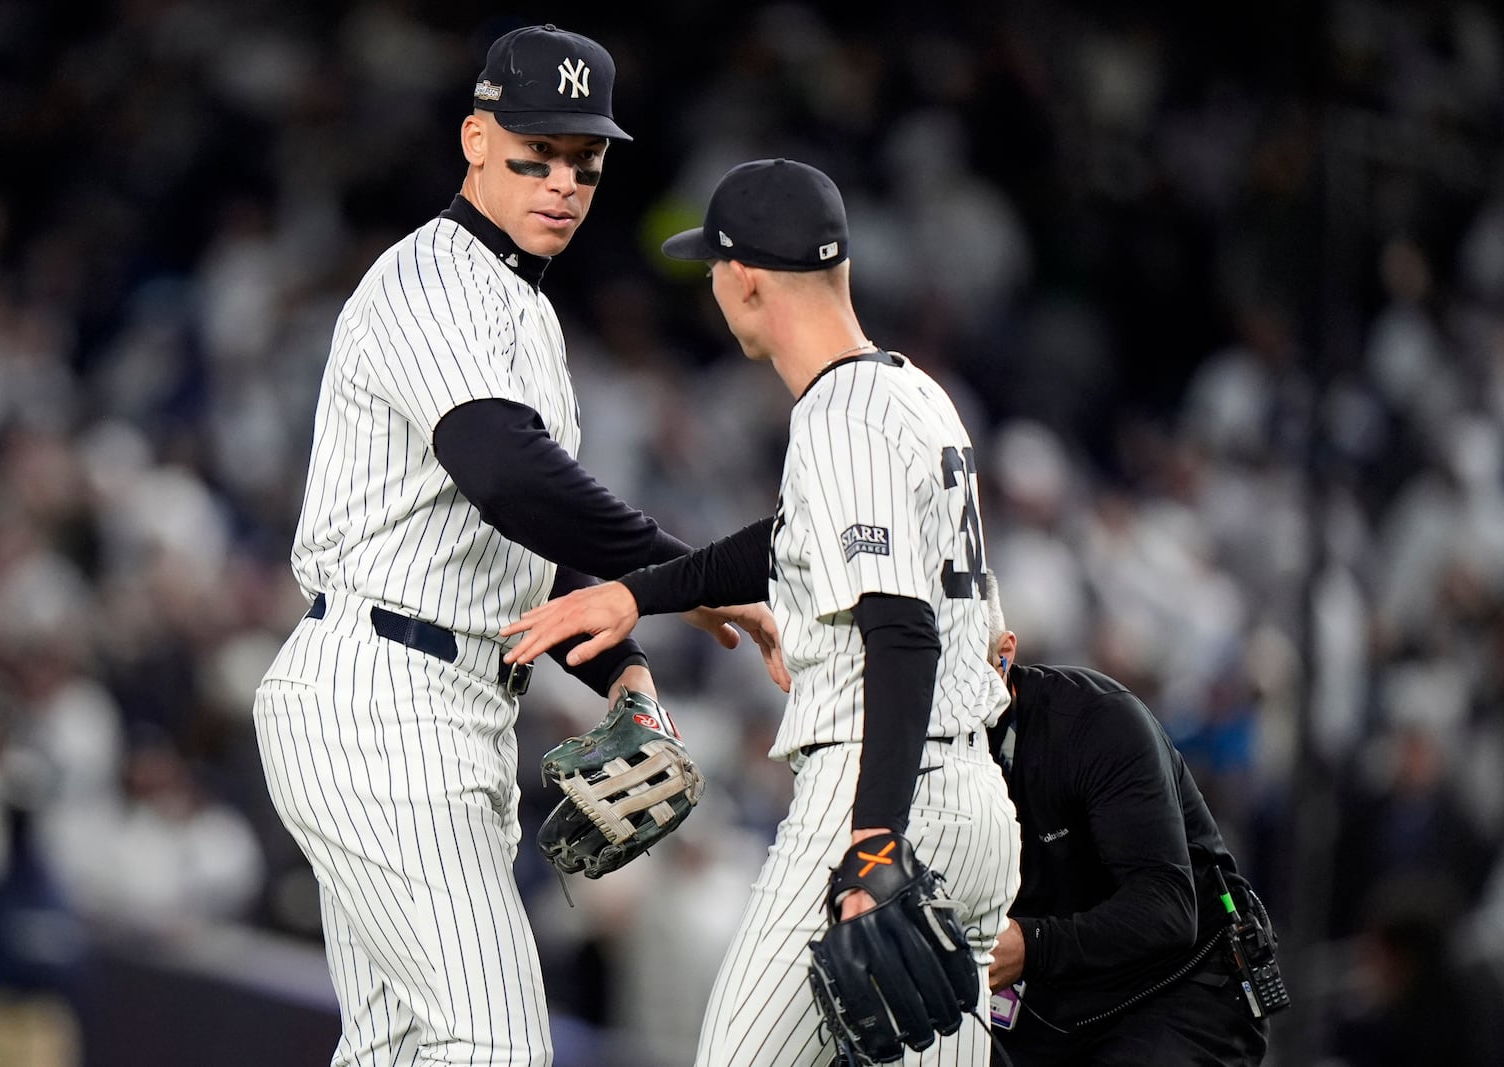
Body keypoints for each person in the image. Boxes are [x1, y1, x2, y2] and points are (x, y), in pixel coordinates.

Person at [250, 23, 772, 1067]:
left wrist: (624, 671)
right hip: (381, 697)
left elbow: (520, 543)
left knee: (399, 1047)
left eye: (583, 161)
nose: (561, 182)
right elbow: (505, 470)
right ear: (474, 140)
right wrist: (677, 575)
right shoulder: (433, 280)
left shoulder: (525, 315)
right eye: (534, 155)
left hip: (447, 701)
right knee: (492, 1042)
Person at [501, 157, 1019, 1065]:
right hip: (975, 809)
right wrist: (641, 590)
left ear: (743, 278)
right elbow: (786, 538)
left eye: (712, 267)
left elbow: (900, 629)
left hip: (877, 795)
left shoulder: (839, 412)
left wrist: (872, 843)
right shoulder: (914, 392)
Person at [982, 576, 1272, 1066]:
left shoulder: (1096, 723)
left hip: (1178, 988)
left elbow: (1167, 907)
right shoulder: (903, 757)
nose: (940, 695)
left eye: (954, 668)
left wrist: (1032, 945)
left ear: (1003, 654)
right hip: (1049, 1004)